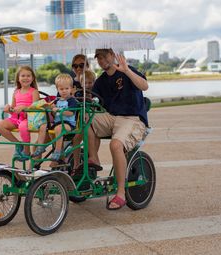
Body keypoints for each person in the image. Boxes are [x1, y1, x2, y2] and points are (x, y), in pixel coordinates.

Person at [88, 49, 149, 210]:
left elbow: (144, 86)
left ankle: (121, 193)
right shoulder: (100, 81)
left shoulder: (127, 70)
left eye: (104, 56)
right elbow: (93, 101)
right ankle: (94, 159)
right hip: (111, 117)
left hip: (132, 118)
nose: (101, 60)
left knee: (115, 145)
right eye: (98, 57)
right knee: (84, 118)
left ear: (113, 55)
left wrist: (127, 70)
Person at [32, 73, 78, 164]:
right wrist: (50, 109)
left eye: (66, 89)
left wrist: (59, 110)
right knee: (45, 126)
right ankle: (40, 148)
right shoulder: (57, 100)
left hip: (68, 124)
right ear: (57, 89)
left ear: (71, 89)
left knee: (58, 128)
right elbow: (54, 115)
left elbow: (70, 113)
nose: (64, 91)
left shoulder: (72, 100)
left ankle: (58, 151)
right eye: (61, 89)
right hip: (57, 123)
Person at [0, 66, 40, 160]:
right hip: (16, 119)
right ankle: (18, 144)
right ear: (18, 78)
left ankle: (27, 151)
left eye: (28, 76)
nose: (25, 78)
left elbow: (37, 108)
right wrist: (8, 109)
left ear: (32, 78)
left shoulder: (34, 92)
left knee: (23, 126)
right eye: (23, 76)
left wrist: (25, 108)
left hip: (30, 119)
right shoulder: (16, 92)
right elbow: (13, 109)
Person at [71, 69, 97, 172]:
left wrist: (92, 100)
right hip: (80, 122)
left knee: (89, 136)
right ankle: (76, 164)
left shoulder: (95, 93)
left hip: (90, 121)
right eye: (85, 83)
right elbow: (73, 103)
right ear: (81, 83)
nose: (87, 85)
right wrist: (73, 96)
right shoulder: (78, 93)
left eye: (90, 82)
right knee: (76, 140)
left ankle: (92, 159)